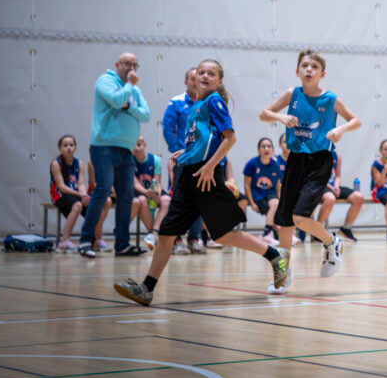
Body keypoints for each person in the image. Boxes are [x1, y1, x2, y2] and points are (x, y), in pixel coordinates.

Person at [114, 59, 290, 305]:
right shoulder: (195, 106)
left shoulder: (214, 101)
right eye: (201, 72)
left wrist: (209, 166)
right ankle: (146, 288)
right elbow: (203, 140)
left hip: (206, 176)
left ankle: (275, 254)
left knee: (223, 235)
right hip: (189, 175)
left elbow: (230, 138)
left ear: (219, 81)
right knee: (166, 232)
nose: (205, 76)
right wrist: (185, 153)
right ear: (195, 78)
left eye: (211, 73)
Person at [260, 49, 359, 286]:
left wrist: (340, 129)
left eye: (314, 67)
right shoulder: (292, 94)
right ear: (297, 71)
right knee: (285, 222)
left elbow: (356, 120)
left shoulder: (330, 99)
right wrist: (280, 117)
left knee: (300, 217)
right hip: (295, 160)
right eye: (305, 66)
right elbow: (264, 114)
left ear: (322, 74)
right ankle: (282, 277)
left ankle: (332, 241)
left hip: (320, 162)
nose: (309, 70)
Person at [81, 53, 150, 258]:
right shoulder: (105, 81)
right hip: (104, 146)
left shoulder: (134, 89)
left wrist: (129, 105)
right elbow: (117, 101)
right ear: (117, 64)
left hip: (126, 150)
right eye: (128, 63)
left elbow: (146, 115)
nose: (132, 67)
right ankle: (85, 241)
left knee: (127, 196)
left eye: (135, 64)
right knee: (102, 191)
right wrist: (129, 89)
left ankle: (122, 244)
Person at [163, 66, 204, 255]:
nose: (196, 82)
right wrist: (177, 152)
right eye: (192, 79)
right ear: (186, 81)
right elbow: (168, 129)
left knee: (199, 199)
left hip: (201, 160)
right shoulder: (176, 102)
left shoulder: (207, 102)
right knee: (179, 199)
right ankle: (176, 239)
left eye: (198, 78)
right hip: (182, 160)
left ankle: (194, 238)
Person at [50, 135, 111, 252]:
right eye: (65, 145)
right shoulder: (56, 163)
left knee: (96, 206)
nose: (69, 147)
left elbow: (81, 183)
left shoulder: (79, 163)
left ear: (75, 147)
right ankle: (64, 241)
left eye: (71, 145)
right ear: (59, 148)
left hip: (76, 194)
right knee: (77, 205)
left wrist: (84, 195)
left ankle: (97, 239)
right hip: (59, 194)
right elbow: (61, 187)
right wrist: (79, 195)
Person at [318, 148, 365, 243]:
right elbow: (317, 177)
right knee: (330, 198)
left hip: (333, 186)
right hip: (321, 186)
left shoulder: (337, 155)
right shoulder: (316, 154)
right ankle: (318, 230)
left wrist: (336, 186)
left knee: (358, 197)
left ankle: (346, 228)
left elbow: (337, 175)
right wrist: (332, 188)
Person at [244, 137, 282, 244]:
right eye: (263, 146)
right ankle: (281, 234)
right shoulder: (252, 164)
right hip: (257, 194)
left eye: (269, 146)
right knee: (273, 214)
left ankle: (266, 234)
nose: (266, 149)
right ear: (258, 149)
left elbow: (278, 185)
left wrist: (280, 200)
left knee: (275, 204)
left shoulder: (276, 165)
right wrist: (252, 203)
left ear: (272, 149)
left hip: (271, 193)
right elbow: (247, 185)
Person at [136, 137, 171, 251]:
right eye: (134, 146)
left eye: (139, 145)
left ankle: (155, 232)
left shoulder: (155, 160)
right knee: (141, 200)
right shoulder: (130, 161)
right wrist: (147, 193)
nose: (136, 148)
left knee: (166, 200)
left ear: (144, 145)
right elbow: (134, 183)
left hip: (153, 188)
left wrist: (157, 193)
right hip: (140, 191)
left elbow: (157, 181)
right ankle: (151, 233)